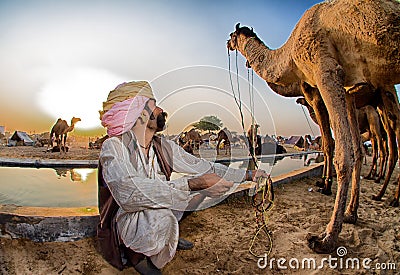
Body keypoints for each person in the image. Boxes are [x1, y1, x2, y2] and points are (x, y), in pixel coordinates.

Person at [98, 81, 269, 274]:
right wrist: (192, 183)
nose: (162, 110)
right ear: (140, 114)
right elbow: (127, 194)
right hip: (130, 216)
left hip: (160, 206)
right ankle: (136, 256)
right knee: (161, 216)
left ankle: (170, 234)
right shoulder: (114, 146)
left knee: (198, 191)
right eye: (155, 105)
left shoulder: (164, 146)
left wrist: (247, 174)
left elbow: (204, 167)